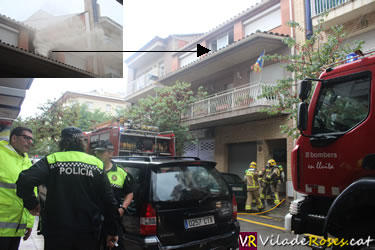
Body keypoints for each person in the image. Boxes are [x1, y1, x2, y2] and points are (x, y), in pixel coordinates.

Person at [16, 126, 120, 250]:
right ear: (82, 142)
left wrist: (32, 204)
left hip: (56, 231)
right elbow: (109, 200)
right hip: (88, 232)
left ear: (62, 141)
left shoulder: (52, 160)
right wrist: (112, 230)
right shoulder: (95, 163)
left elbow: (25, 179)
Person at [93, 140, 134, 250]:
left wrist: (123, 208)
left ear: (111, 153)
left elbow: (129, 193)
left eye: (102, 152)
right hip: (94, 220)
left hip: (113, 220)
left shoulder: (120, 172)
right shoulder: (91, 170)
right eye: (97, 152)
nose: (98, 155)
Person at [0, 127, 35, 250]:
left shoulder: (26, 161)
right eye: (26, 138)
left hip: (17, 227)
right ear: (14, 138)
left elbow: (31, 193)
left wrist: (29, 223)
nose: (30, 142)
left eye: (31, 139)